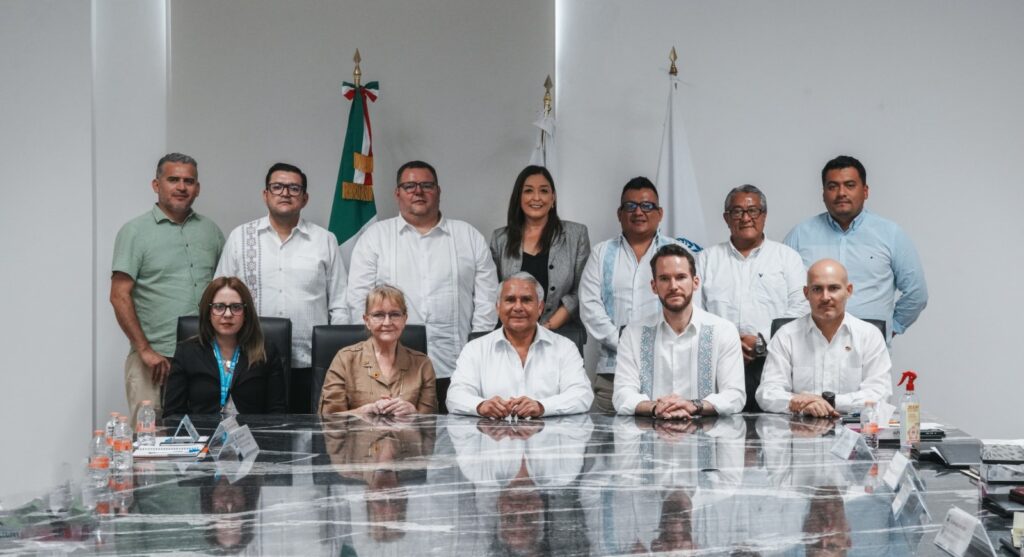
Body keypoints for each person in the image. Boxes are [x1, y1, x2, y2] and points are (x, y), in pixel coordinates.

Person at [347, 160, 498, 412]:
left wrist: (474, 354)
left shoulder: (468, 237)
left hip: (458, 368)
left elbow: (487, 302)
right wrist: (377, 359)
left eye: (426, 185)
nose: (418, 191)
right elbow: (358, 302)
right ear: (397, 193)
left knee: (457, 436)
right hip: (392, 371)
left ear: (438, 191)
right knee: (395, 436)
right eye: (410, 186)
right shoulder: (375, 238)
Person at [216, 162, 348, 412]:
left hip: (311, 364)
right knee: (257, 431)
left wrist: (334, 357)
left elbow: (340, 304)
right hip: (251, 360)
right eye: (277, 187)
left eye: (294, 188)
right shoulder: (240, 237)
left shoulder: (324, 240)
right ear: (265, 194)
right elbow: (220, 298)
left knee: (309, 431)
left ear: (305, 198)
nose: (285, 193)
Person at [110, 153, 224, 422]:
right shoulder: (135, 232)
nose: (181, 187)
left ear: (198, 188)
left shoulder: (211, 231)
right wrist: (145, 350)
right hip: (154, 360)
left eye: (189, 181)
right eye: (173, 179)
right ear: (156, 185)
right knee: (151, 439)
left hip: (204, 357)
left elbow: (225, 292)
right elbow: (118, 295)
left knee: (204, 436)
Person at [784, 155, 928, 340]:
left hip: (869, 348)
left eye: (850, 185)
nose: (841, 193)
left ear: (865, 191)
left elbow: (917, 293)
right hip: (810, 344)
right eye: (833, 186)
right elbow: (781, 289)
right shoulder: (800, 235)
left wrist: (890, 328)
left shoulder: (891, 234)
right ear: (823, 194)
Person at [696, 185, 807, 411]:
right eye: (737, 211)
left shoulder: (787, 258)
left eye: (753, 211)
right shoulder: (706, 259)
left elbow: (800, 310)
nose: (746, 218)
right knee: (716, 427)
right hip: (718, 363)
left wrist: (760, 340)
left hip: (773, 363)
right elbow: (695, 311)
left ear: (764, 215)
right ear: (726, 218)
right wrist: (729, 342)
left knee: (774, 428)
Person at [579, 177, 682, 412]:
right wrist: (624, 343)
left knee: (671, 433)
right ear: (619, 213)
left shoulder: (677, 254)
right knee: (610, 435)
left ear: (660, 213)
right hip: (613, 373)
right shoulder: (601, 253)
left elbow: (687, 305)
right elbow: (590, 307)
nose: (638, 212)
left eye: (646, 206)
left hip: (667, 370)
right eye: (630, 206)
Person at [613, 244, 746, 417]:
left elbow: (735, 396)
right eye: (664, 279)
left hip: (707, 431)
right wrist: (656, 407)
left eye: (681, 277)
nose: (673, 286)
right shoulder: (633, 333)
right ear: (654, 286)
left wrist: (693, 405)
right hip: (650, 429)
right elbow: (622, 395)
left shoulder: (723, 331)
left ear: (695, 282)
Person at [755, 259, 892, 417]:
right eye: (817, 289)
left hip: (853, 429)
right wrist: (795, 403)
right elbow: (767, 393)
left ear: (848, 290)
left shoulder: (869, 335)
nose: (825, 297)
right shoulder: (786, 335)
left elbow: (880, 394)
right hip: (799, 428)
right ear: (806, 293)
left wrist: (828, 402)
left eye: (833, 288)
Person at [446, 272, 593, 417]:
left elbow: (582, 394)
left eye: (526, 300)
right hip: (492, 432)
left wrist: (542, 407)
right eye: (510, 300)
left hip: (549, 431)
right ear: (497, 307)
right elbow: (455, 396)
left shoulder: (565, 348)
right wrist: (481, 406)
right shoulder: (475, 349)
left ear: (540, 307)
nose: (518, 307)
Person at [163, 277, 287, 416]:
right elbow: (172, 414)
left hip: (253, 430)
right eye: (219, 307)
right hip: (202, 429)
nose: (228, 314)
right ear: (208, 312)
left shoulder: (267, 352)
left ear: (246, 313)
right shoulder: (186, 352)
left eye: (236, 307)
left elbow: (277, 414)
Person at [489, 165, 590, 332]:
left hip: (560, 333)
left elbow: (581, 291)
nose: (536, 197)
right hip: (512, 334)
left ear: (553, 198)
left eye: (543, 191)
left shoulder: (576, 235)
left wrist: (547, 328)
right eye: (528, 191)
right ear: (519, 197)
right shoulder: (500, 239)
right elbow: (494, 292)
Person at [319, 284, 437, 415]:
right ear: (367, 320)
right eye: (378, 315)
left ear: (404, 319)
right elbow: (327, 419)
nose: (387, 322)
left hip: (406, 429)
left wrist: (414, 413)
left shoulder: (422, 364)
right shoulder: (345, 360)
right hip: (358, 429)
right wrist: (363, 411)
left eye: (395, 314)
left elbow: (432, 421)